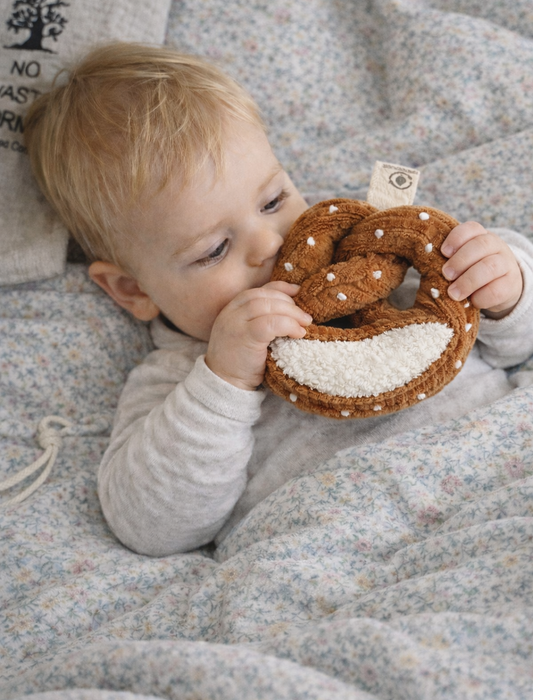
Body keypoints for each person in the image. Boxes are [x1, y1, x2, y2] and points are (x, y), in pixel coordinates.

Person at [25, 42, 533, 556]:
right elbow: (150, 528)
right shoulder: (177, 383)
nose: (269, 243)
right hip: (359, 542)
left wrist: (504, 288)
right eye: (214, 250)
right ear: (133, 290)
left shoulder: (374, 262)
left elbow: (517, 347)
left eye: (273, 201)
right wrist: (223, 384)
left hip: (501, 461)